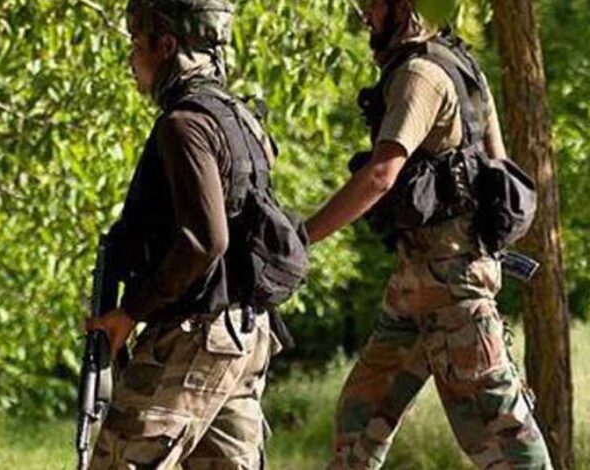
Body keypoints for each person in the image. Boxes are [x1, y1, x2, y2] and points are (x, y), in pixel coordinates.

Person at [305, 0, 553, 468]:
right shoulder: (460, 65)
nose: (364, 14)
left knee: (504, 440)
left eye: (372, 4)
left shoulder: (419, 75)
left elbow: (381, 175)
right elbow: (498, 165)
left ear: (403, 5)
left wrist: (302, 236)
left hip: (451, 291)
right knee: (359, 418)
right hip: (416, 289)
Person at [83, 1, 287, 468]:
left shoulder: (184, 125)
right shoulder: (239, 118)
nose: (132, 58)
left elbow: (206, 242)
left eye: (137, 43)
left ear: (166, 45)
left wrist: (129, 313)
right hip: (243, 333)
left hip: (196, 335)